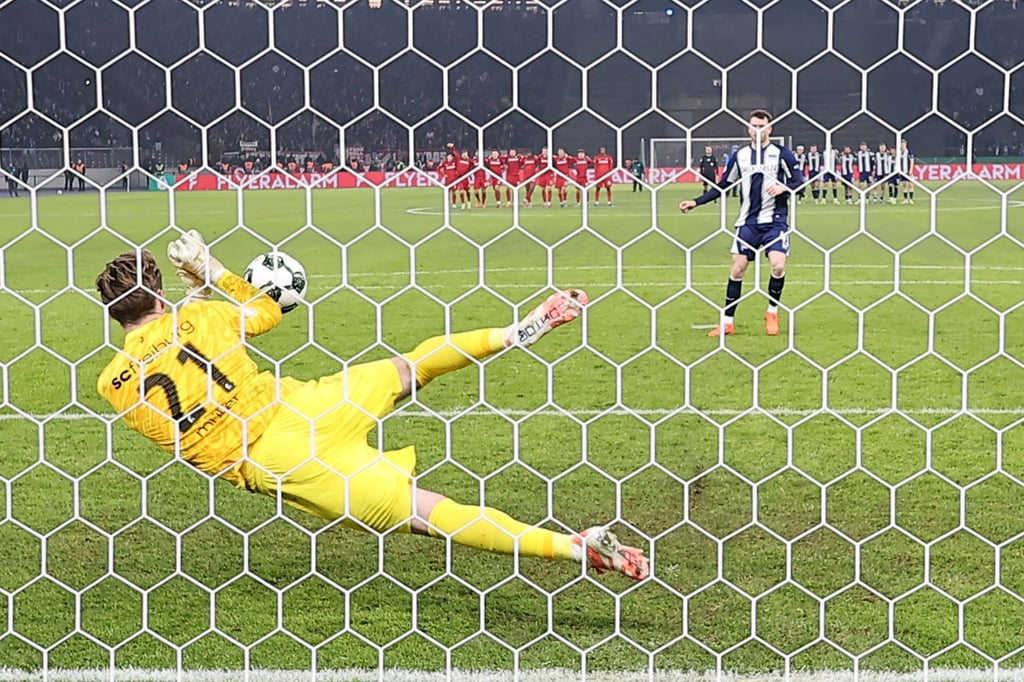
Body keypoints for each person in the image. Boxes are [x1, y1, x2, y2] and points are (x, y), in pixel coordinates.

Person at [94, 236, 649, 581]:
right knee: (412, 368)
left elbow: (177, 379)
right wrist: (212, 275)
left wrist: (189, 305)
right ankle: (514, 332)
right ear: (159, 294)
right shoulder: (201, 318)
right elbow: (264, 311)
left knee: (426, 514)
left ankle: (578, 551)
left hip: (272, 460)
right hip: (302, 406)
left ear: (115, 313)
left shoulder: (111, 384)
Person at [678, 109, 805, 338]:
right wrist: (696, 202)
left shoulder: (782, 154)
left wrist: (783, 187)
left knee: (777, 265)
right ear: (748, 128)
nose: (758, 130)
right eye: (754, 126)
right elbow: (724, 185)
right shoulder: (740, 156)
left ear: (770, 128)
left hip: (775, 222)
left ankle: (772, 312)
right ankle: (727, 322)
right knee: (737, 269)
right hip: (747, 222)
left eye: (762, 126)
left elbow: (800, 183)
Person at [899, 139, 915, 204]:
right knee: (904, 185)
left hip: (908, 171)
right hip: (902, 171)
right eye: (901, 144)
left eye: (903, 143)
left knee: (910, 184)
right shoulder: (899, 152)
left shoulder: (909, 152)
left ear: (906, 144)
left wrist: (911, 170)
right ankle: (905, 199)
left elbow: (912, 161)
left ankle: (911, 199)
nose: (902, 145)